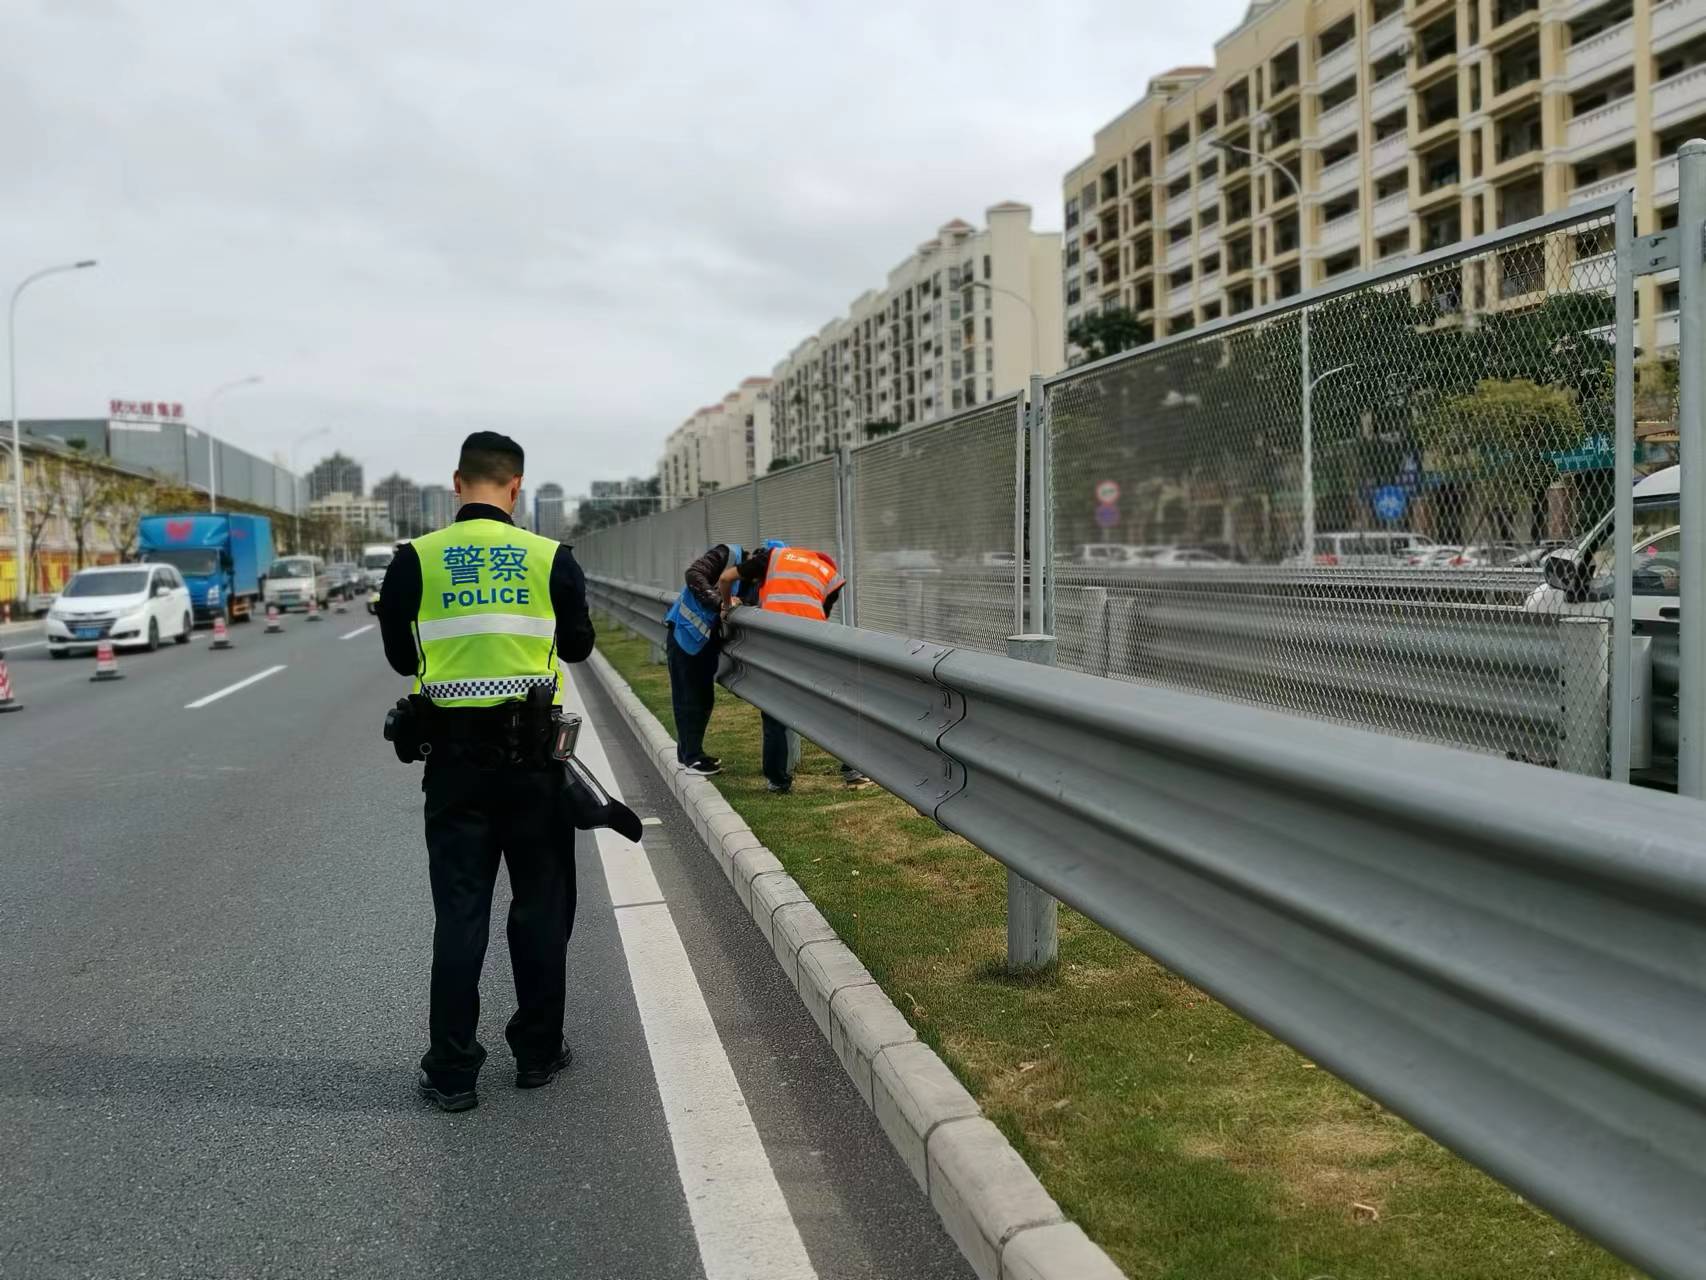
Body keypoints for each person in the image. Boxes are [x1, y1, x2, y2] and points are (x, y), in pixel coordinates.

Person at [378, 430, 598, 1113]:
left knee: (461, 915)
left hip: (455, 768)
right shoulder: (549, 556)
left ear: (456, 484)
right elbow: (579, 645)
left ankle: (452, 1072)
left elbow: (397, 656)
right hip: (535, 764)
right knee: (540, 908)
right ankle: (536, 1052)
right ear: (516, 488)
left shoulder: (415, 559)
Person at [719, 542, 872, 794]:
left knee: (773, 710)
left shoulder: (772, 559)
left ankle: (778, 781)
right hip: (811, 646)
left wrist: (727, 606)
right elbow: (819, 612)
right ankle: (853, 770)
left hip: (777, 645)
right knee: (830, 705)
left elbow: (726, 578)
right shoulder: (829, 574)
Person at [662, 541, 744, 777]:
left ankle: (688, 753)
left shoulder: (752, 581)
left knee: (700, 698)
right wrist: (720, 602)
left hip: (703, 641)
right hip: (684, 635)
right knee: (690, 698)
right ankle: (692, 758)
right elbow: (694, 574)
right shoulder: (726, 554)